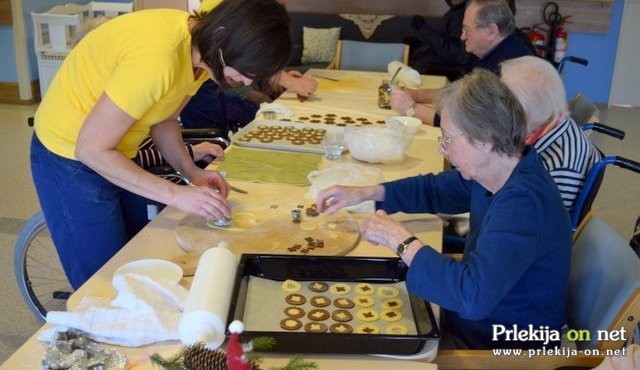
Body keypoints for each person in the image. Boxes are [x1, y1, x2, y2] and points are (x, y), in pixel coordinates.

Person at [30, 0, 292, 288]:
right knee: (103, 279)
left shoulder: (201, 55)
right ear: (221, 37)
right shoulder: (158, 58)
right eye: (244, 71)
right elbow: (90, 149)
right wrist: (177, 195)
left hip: (115, 150)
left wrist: (192, 173)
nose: (243, 81)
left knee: (136, 253)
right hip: (69, 156)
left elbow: (164, 121)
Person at [316, 69, 572, 349]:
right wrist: (367, 193)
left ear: (485, 139)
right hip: (478, 317)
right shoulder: (499, 168)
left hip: (497, 344)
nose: (443, 150)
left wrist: (400, 241)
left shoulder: (522, 203)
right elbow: (435, 189)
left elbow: (471, 297)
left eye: (448, 138)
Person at [391, 0, 533, 126]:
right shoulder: (499, 46)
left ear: (491, 31)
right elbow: (463, 92)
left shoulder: (509, 68)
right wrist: (417, 95)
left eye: (466, 29)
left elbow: (466, 122)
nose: (462, 36)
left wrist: (411, 109)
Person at [500, 56, 601, 211]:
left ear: (521, 112)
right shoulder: (553, 116)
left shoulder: (553, 171)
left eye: (502, 100)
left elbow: (526, 224)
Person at [410, 0, 473, 80]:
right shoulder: (455, 12)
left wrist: (424, 29)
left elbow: (458, 54)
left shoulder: (464, 13)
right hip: (426, 69)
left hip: (440, 75)